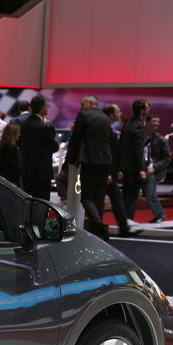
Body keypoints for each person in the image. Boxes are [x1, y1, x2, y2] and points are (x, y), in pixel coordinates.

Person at [65, 95, 115, 238]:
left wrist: (70, 161)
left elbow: (75, 139)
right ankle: (97, 230)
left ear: (91, 103)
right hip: (106, 161)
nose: (80, 107)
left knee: (86, 197)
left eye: (82, 104)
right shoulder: (105, 118)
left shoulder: (84, 116)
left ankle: (99, 224)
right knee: (99, 197)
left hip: (90, 160)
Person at [103, 103, 139, 236]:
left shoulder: (110, 129)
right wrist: (108, 172)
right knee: (114, 197)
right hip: (105, 172)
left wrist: (117, 169)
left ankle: (123, 227)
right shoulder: (106, 129)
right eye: (118, 111)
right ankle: (123, 227)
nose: (120, 114)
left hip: (110, 171)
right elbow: (106, 152)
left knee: (115, 196)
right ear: (111, 114)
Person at [18, 94, 57, 201]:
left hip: (27, 169)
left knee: (29, 201)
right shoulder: (43, 127)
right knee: (42, 202)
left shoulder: (24, 125)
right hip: (42, 171)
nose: (48, 108)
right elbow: (54, 147)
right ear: (42, 108)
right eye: (47, 106)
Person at [118, 98, 150, 222]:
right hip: (133, 166)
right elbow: (138, 149)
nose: (148, 110)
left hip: (125, 164)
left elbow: (121, 144)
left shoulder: (128, 123)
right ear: (142, 111)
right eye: (147, 108)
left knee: (126, 194)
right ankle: (127, 220)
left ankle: (124, 220)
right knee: (132, 196)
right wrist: (141, 169)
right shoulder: (140, 126)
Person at [144, 116, 170, 224]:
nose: (156, 123)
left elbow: (167, 158)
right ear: (147, 122)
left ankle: (159, 214)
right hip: (139, 168)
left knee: (150, 194)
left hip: (152, 170)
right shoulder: (140, 137)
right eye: (154, 121)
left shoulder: (160, 139)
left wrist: (155, 167)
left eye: (158, 122)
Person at [0, 121, 22, 186]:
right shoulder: (9, 149)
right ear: (13, 134)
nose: (19, 134)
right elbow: (13, 166)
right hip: (10, 182)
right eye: (18, 133)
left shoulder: (6, 147)